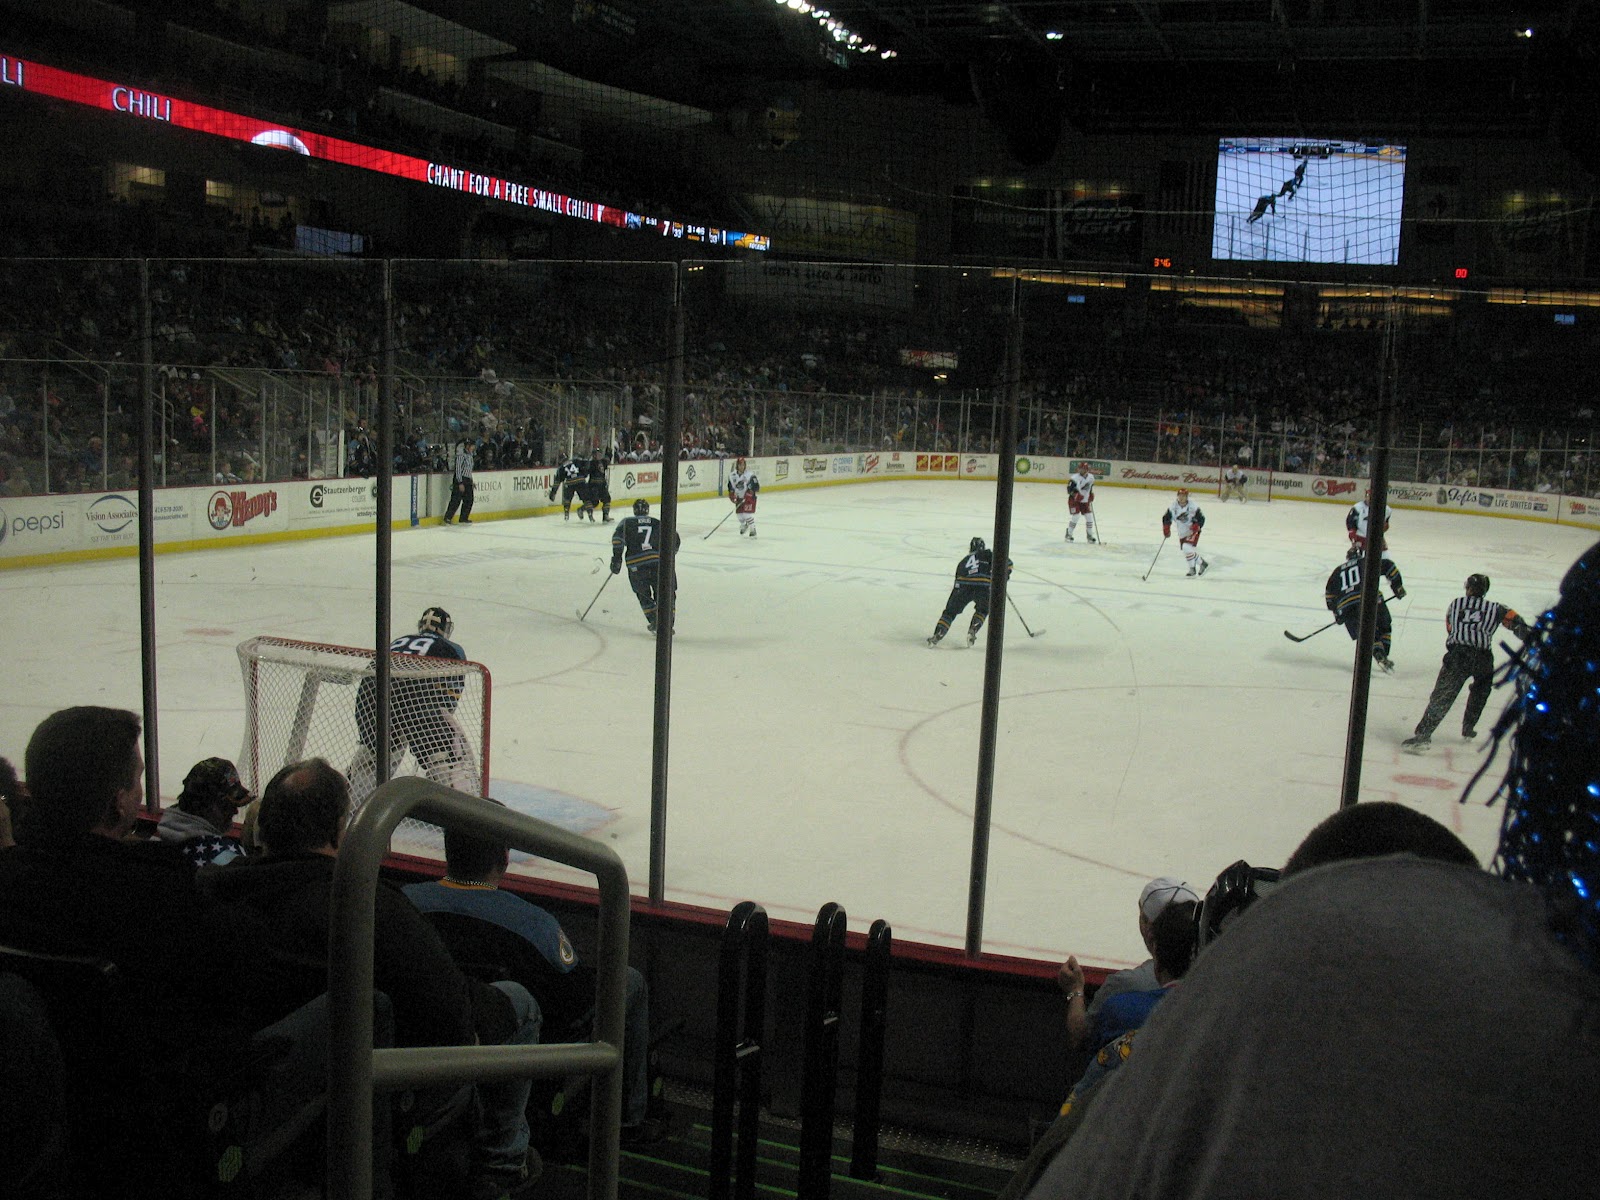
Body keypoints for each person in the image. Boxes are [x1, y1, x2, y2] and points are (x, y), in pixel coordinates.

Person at [200, 759, 543, 1198]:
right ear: (340, 831)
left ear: (264, 826)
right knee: (519, 1003)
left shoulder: (211, 891)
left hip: (253, 1086)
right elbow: (448, 1016)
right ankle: (500, 1162)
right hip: (368, 1096)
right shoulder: (368, 907)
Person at [403, 807, 666, 1145]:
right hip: (517, 1033)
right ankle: (628, 1119)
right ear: (505, 857)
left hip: (431, 1032)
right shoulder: (532, 922)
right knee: (629, 981)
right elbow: (571, 996)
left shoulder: (408, 902)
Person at [348, 607, 477, 802]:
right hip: (416, 693)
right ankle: (454, 806)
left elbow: (372, 672)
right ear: (445, 628)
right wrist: (432, 730)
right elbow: (450, 696)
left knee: (377, 747)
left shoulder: (398, 641)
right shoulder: (451, 648)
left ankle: (354, 798)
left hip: (370, 695)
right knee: (446, 752)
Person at [1063, 876, 1200, 1053]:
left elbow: (1080, 1038)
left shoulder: (1124, 990)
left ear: (1148, 929)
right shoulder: (1223, 987)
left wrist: (1075, 990)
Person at [1402, 573, 1531, 749]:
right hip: (1483, 657)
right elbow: (1516, 623)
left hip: (1458, 655)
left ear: (1468, 588)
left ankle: (1424, 734)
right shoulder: (1497, 608)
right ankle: (1468, 726)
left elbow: (1450, 627)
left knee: (1443, 695)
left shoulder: (1455, 604)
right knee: (1480, 692)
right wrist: (1530, 641)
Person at [154, 756, 252, 866]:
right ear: (204, 805)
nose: (235, 812)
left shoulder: (153, 841)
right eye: (226, 806)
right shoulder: (229, 860)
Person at [1324, 544, 1406, 673]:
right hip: (1370, 600)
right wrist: (1397, 587)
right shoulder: (1366, 562)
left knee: (1365, 632)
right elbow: (1389, 566)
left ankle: (1377, 651)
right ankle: (1382, 652)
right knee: (1384, 626)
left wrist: (1337, 613)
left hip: (1347, 608)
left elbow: (1329, 595)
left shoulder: (1337, 571)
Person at [926, 537, 1011, 648]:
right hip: (983, 586)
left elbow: (957, 581)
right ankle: (973, 629)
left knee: (950, 613)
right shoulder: (988, 554)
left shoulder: (963, 561)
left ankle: (938, 633)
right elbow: (1008, 563)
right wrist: (1003, 578)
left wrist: (954, 600)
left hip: (963, 586)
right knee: (983, 610)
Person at [611, 499, 680, 633]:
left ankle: (655, 620)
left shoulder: (627, 522)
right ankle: (667, 622)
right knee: (666, 592)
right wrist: (669, 556)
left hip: (636, 564)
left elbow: (617, 539)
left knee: (643, 594)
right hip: (659, 563)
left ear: (634, 510)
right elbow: (675, 538)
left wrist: (616, 559)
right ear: (647, 510)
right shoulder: (657, 522)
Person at [1161, 488, 1207, 576]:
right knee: (1187, 550)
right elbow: (1166, 518)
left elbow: (1202, 518)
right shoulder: (1173, 507)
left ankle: (1192, 569)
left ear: (1187, 497)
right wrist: (1166, 528)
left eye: (1184, 496)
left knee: (1186, 547)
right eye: (1180, 496)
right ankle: (1202, 563)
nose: (1181, 498)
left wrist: (1197, 525)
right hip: (1182, 532)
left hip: (1192, 531)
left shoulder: (1193, 506)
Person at [442, 438, 476, 525]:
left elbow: (469, 469)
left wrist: (471, 480)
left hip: (467, 479)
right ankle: (448, 518)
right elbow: (458, 470)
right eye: (472, 446)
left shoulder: (470, 455)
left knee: (469, 499)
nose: (473, 448)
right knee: (456, 500)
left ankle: (463, 518)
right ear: (468, 446)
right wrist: (460, 482)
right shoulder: (461, 455)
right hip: (460, 479)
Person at [1346, 488, 1391, 553]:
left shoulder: (1386, 509)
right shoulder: (1358, 507)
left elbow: (1385, 524)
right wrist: (1352, 532)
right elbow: (1350, 521)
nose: (1369, 499)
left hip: (1377, 539)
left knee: (1384, 557)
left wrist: (1383, 529)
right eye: (1368, 496)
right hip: (1360, 537)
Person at [1065, 462, 1098, 543]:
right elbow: (1069, 490)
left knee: (1089, 517)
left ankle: (1090, 536)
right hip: (1074, 500)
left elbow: (1090, 487)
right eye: (1080, 468)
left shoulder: (1091, 477)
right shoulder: (1074, 478)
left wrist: (1090, 494)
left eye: (1082, 468)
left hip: (1085, 500)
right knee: (1076, 516)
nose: (1080, 470)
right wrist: (1076, 495)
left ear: (1086, 470)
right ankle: (1069, 534)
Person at [727, 455, 760, 537]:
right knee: (739, 516)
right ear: (737, 466)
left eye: (743, 465)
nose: (742, 466)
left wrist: (749, 493)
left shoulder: (750, 475)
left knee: (746, 514)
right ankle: (744, 524)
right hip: (739, 497)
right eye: (740, 465)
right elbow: (730, 486)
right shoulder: (732, 475)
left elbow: (756, 486)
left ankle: (753, 529)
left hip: (749, 498)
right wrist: (731, 494)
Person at [548, 452, 587, 520]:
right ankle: (584, 510)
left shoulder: (561, 468)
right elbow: (586, 464)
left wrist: (553, 492)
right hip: (580, 481)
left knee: (567, 499)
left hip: (569, 483)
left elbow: (557, 481)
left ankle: (566, 514)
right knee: (586, 499)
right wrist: (584, 474)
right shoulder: (576, 461)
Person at [581, 450, 612, 523]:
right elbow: (585, 473)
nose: (599, 455)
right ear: (594, 455)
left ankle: (605, 516)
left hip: (602, 485)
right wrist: (586, 467)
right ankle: (581, 509)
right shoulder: (591, 463)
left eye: (600, 453)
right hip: (593, 486)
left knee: (607, 499)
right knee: (594, 502)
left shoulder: (603, 462)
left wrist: (609, 453)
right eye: (597, 454)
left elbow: (608, 460)